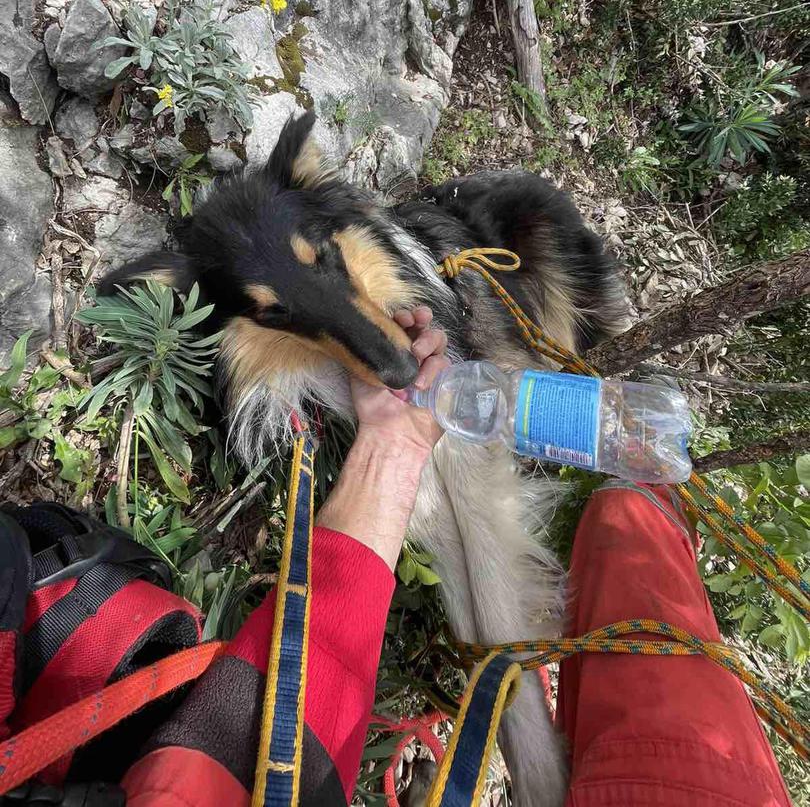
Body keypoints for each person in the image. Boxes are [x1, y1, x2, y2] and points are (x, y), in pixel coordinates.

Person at [42, 308, 796, 805]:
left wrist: (394, 444)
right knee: (633, 535)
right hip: (697, 784)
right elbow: (251, 753)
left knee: (623, 532)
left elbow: (251, 754)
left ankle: (637, 498)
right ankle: (645, 496)